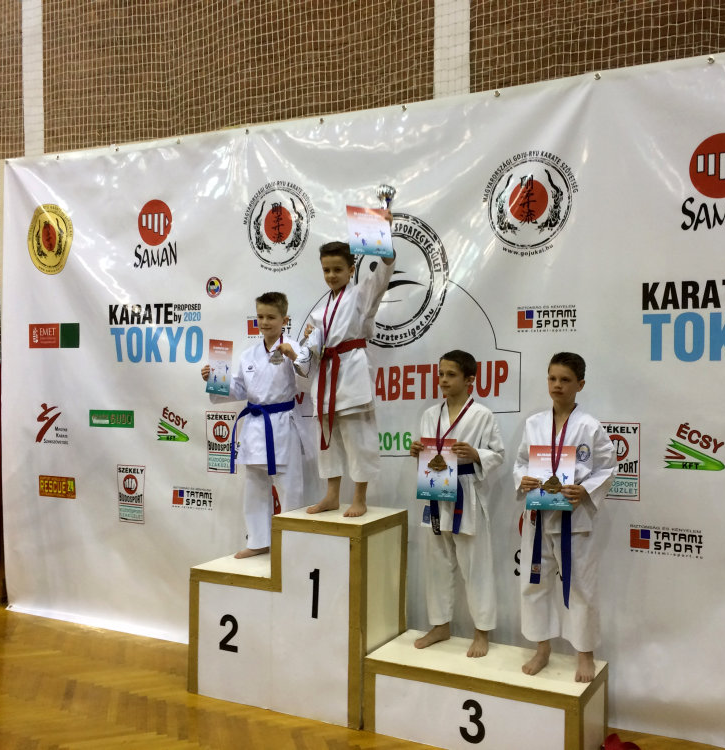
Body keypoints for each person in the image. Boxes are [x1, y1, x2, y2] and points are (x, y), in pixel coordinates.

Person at [514, 351, 617, 682]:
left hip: (574, 520)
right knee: (535, 583)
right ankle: (542, 648)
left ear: (580, 384)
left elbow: (608, 468)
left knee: (581, 587)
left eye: (565, 380)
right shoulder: (534, 424)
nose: (557, 385)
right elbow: (520, 463)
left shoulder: (590, 426)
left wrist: (585, 489)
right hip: (539, 515)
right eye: (552, 378)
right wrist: (522, 479)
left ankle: (584, 655)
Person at [409, 350, 504, 657]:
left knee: (476, 566)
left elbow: (498, 454)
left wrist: (476, 454)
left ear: (469, 379)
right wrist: (418, 453)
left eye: (451, 374)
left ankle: (482, 631)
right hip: (436, 489)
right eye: (440, 374)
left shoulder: (482, 415)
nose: (443, 380)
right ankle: (440, 625)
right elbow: (430, 455)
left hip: (467, 494)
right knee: (437, 563)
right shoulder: (429, 415)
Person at [200, 292, 309, 558]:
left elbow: (308, 376)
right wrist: (213, 379)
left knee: (290, 488)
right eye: (260, 316)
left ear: (284, 320)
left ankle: (294, 545)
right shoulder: (248, 355)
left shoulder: (293, 347)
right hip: (255, 425)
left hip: (282, 426)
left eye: (271, 317)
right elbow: (238, 390)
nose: (265, 322)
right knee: (255, 487)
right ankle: (259, 541)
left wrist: (294, 357)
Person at [293, 237, 395, 517]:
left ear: (351, 270)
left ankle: (360, 497)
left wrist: (383, 237)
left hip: (351, 371)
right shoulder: (319, 313)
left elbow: (383, 274)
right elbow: (311, 352)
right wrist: (309, 339)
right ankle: (332, 495)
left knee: (358, 437)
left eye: (337, 269)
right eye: (326, 270)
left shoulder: (362, 295)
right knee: (328, 438)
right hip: (326, 375)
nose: (331, 275)